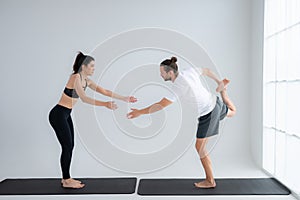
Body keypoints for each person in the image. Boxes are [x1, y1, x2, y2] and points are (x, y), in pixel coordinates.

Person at [127, 57, 236, 189]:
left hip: (208, 113)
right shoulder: (188, 71)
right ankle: (223, 92)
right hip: (215, 102)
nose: (160, 75)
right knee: (232, 112)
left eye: (162, 72)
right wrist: (219, 82)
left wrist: (140, 112)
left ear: (170, 73)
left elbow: (160, 106)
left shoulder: (178, 86)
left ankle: (210, 181)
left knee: (200, 148)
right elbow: (206, 71)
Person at [49, 52, 137, 189]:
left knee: (70, 146)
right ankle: (66, 180)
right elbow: (84, 98)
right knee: (67, 146)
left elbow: (105, 91)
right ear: (83, 67)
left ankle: (66, 178)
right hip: (58, 114)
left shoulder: (87, 81)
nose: (93, 69)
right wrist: (105, 104)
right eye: (91, 66)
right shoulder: (75, 78)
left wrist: (124, 98)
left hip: (66, 114)